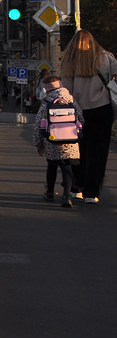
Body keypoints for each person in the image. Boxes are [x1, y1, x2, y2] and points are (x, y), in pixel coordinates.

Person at [58, 29, 117, 204]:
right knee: (98, 152)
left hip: (77, 111)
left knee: (77, 150)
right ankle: (92, 193)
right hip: (102, 109)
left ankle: (76, 188)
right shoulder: (105, 57)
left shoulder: (69, 60)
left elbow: (66, 90)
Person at [33, 73, 82, 207]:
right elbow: (81, 118)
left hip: (52, 140)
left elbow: (38, 124)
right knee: (67, 168)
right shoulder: (70, 100)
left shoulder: (47, 102)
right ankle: (66, 196)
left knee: (52, 166)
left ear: (47, 89)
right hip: (70, 141)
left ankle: (50, 192)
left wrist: (38, 144)